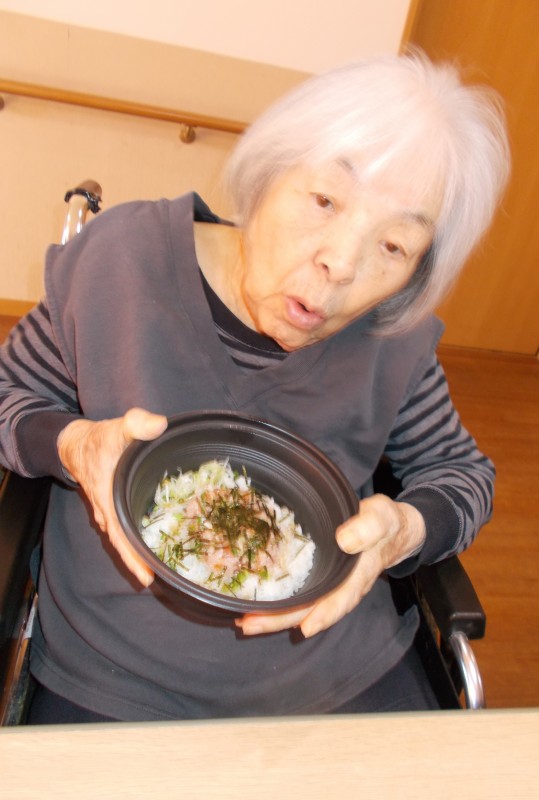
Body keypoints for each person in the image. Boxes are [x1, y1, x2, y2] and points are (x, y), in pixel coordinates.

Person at [0, 50, 510, 723]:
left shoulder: (395, 339)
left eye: (394, 246)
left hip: (335, 673)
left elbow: (463, 474)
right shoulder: (121, 262)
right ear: (269, 172)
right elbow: (8, 396)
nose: (340, 265)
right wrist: (74, 445)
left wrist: (405, 529)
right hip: (114, 673)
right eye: (324, 201)